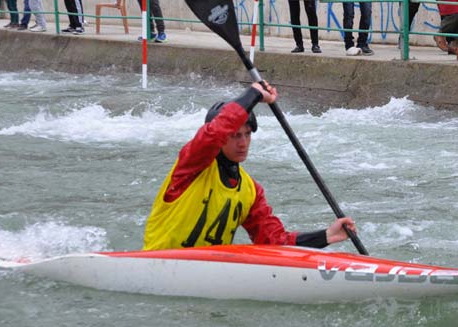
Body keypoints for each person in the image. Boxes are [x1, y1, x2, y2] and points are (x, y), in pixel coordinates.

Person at [143, 82, 357, 251]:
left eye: (247, 134)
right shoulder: (192, 166)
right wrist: (253, 94)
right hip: (156, 264)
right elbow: (212, 134)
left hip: (205, 273)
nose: (243, 143)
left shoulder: (250, 190)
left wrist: (325, 236)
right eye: (235, 136)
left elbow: (273, 241)